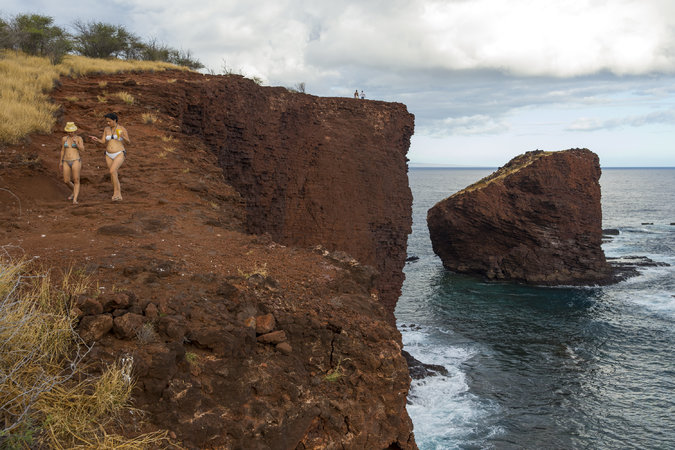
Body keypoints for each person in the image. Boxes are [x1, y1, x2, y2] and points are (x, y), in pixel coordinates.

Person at [89, 112, 129, 201]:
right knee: (113, 174)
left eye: (109, 121)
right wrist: (97, 139)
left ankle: (117, 193)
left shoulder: (122, 128)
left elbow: (128, 142)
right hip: (108, 154)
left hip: (119, 152)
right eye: (106, 122)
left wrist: (123, 136)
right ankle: (117, 193)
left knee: (112, 171)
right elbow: (103, 141)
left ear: (115, 120)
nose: (108, 123)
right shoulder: (106, 129)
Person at [59, 122, 84, 204]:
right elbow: (63, 150)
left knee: (76, 179)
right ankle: (74, 191)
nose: (70, 133)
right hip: (66, 160)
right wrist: (61, 162)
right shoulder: (64, 139)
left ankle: (75, 199)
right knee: (66, 180)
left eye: (71, 131)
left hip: (76, 160)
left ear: (75, 131)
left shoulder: (79, 138)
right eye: (68, 131)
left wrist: (76, 144)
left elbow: (82, 149)